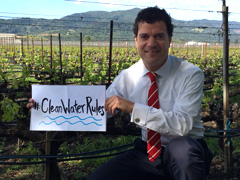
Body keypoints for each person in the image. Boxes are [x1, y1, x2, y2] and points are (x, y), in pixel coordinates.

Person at [27, 7, 213, 180]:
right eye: (144, 36)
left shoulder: (190, 74)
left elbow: (183, 125)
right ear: (136, 40)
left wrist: (132, 107)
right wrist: (46, 107)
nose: (151, 43)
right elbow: (99, 107)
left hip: (186, 148)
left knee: (181, 151)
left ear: (170, 39)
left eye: (159, 36)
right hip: (148, 151)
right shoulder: (128, 76)